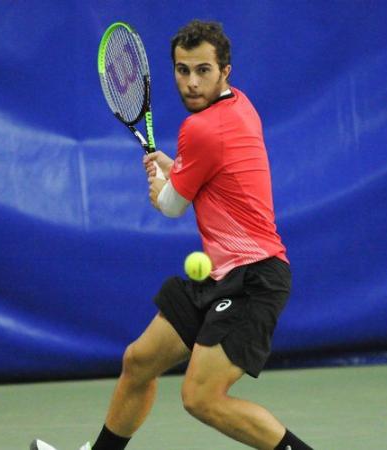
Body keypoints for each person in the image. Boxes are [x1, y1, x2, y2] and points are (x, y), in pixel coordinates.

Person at [32, 20, 314, 450]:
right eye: (182, 71)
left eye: (203, 70)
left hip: (253, 279)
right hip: (222, 276)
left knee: (201, 398)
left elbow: (171, 206)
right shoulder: (240, 106)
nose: (191, 82)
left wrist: (160, 187)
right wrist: (172, 168)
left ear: (225, 71)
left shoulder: (201, 129)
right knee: (139, 361)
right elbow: (207, 174)